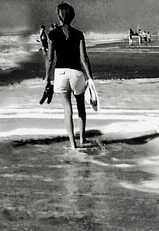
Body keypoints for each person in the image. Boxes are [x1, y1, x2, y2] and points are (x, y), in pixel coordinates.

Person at [43, 4, 94, 150]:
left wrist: (47, 77)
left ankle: (73, 145)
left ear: (59, 16)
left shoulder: (52, 34)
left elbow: (50, 59)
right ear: (72, 16)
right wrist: (90, 77)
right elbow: (84, 58)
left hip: (61, 74)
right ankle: (82, 139)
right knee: (81, 108)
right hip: (77, 74)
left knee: (67, 110)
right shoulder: (79, 34)